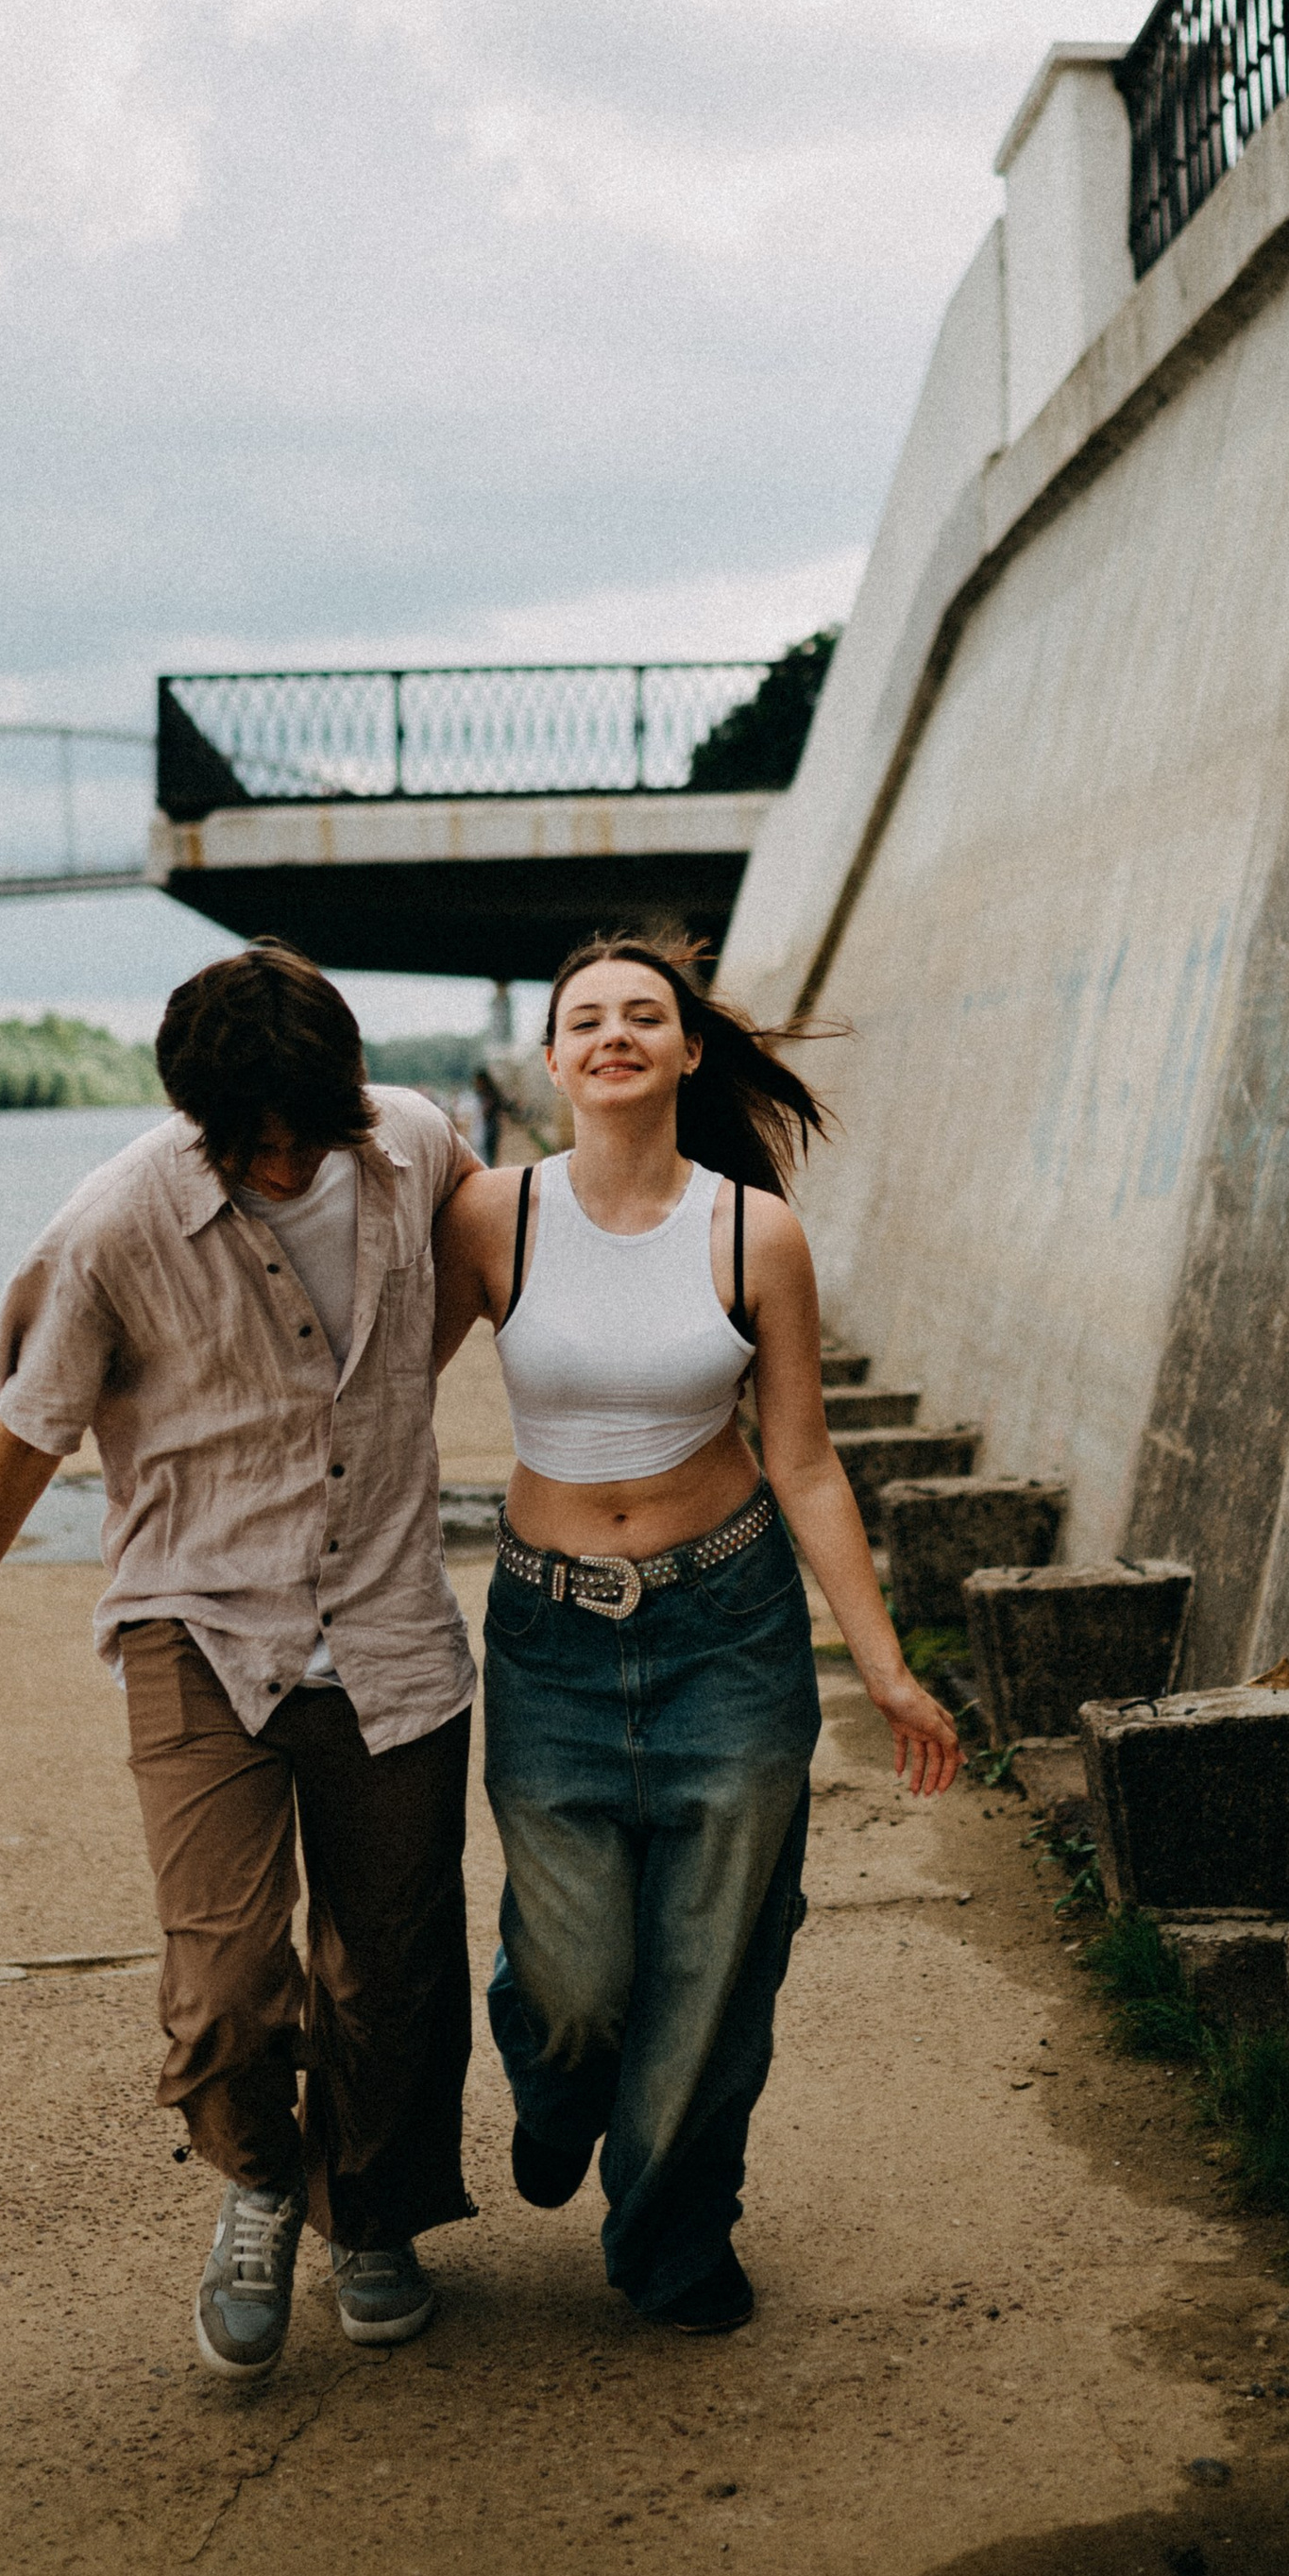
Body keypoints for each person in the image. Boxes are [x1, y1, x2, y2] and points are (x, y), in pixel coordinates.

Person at [0, 940, 481, 2379]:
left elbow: (486, 1265)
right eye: (248, 1143)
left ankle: (373, 2213)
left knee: (393, 1972)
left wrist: (397, 1395)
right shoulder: (115, 1223)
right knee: (222, 1987)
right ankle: (264, 2181)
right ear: (202, 1117)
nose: (280, 1165)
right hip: (199, 1626)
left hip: (390, 1626)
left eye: (303, 1135)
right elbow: (29, 1426)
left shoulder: (418, 1141)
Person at [432, 928, 958, 2336]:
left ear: (686, 1051)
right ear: (552, 1060)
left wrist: (889, 1670)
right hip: (548, 1639)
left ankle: (673, 2237)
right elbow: (373, 1399)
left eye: (641, 1016)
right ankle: (556, 2076)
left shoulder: (752, 1232)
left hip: (728, 1631)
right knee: (577, 1979)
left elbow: (803, 1464)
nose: (613, 1034)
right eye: (584, 1017)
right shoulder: (495, 1217)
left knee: (717, 1961)